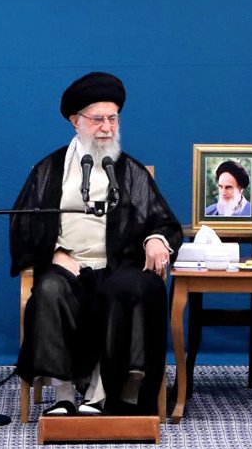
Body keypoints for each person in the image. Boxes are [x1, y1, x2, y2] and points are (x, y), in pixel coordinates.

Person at [10, 71, 182, 416]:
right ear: (76, 121)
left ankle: (103, 393)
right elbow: (23, 223)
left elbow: (162, 219)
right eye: (98, 119)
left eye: (113, 119)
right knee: (49, 290)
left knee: (127, 288)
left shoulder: (130, 171)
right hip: (68, 267)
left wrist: (156, 238)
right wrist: (55, 254)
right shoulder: (49, 170)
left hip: (118, 266)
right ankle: (62, 394)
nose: (107, 127)